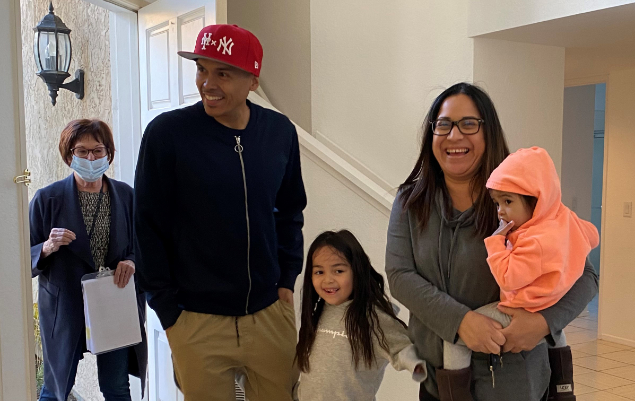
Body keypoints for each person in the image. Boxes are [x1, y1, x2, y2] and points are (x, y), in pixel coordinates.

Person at [385, 82, 599, 401]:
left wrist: (543, 322)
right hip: (442, 379)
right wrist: (462, 322)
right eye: (443, 125)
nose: (455, 136)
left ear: (489, 132)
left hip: (518, 380)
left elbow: (585, 276)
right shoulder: (410, 201)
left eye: (469, 124)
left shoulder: (520, 199)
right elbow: (401, 277)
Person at [134, 24, 306, 401]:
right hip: (195, 321)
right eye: (202, 69)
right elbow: (146, 227)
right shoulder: (167, 135)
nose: (207, 83)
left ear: (253, 81)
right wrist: (168, 312)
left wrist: (286, 280)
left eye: (223, 73)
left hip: (269, 314)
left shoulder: (279, 132)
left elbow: (290, 210)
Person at [440, 146, 600, 401]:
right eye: (497, 203)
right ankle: (564, 388)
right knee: (555, 332)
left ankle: (454, 396)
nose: (501, 211)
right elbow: (591, 235)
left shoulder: (533, 240)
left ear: (536, 200)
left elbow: (508, 277)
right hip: (550, 303)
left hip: (521, 306)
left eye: (508, 202)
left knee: (454, 338)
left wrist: (495, 243)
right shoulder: (562, 218)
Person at [30, 119, 147, 401]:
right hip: (66, 306)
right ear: (69, 155)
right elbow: (24, 256)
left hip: (114, 302)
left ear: (109, 153)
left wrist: (131, 261)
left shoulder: (126, 196)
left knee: (116, 387)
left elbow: (143, 247)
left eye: (98, 150)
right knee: (56, 388)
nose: (91, 158)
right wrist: (47, 246)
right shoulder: (47, 199)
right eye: (82, 151)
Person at [294, 230, 426, 400]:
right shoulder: (318, 311)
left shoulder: (372, 317)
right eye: (319, 272)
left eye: (338, 271)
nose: (328, 280)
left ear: (357, 271)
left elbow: (401, 347)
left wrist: (417, 366)